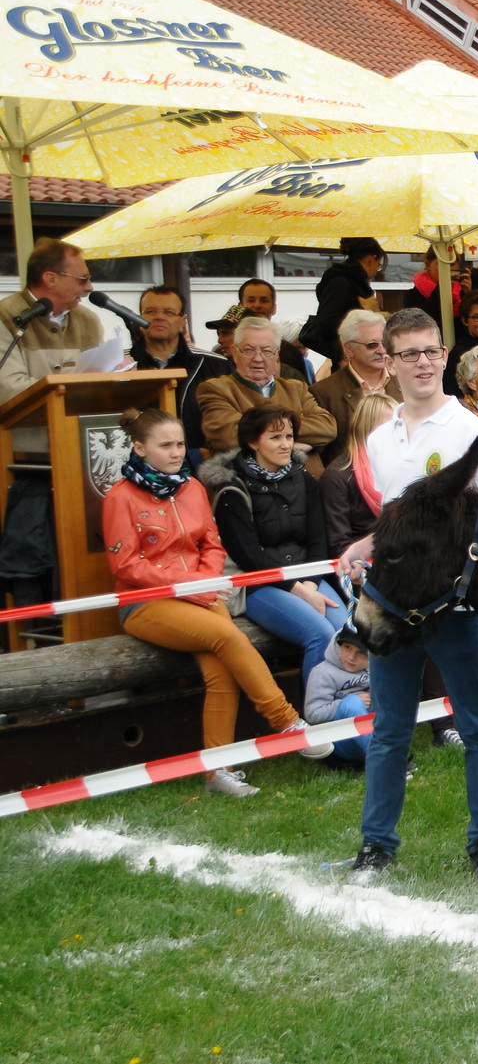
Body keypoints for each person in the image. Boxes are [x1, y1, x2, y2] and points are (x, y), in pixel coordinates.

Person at [339, 307, 478, 884]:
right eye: (409, 353)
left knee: (477, 725)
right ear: (387, 363)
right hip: (392, 606)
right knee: (389, 728)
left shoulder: (472, 432)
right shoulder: (378, 437)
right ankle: (376, 846)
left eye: (430, 351)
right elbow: (398, 522)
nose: (422, 362)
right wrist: (364, 544)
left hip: (455, 609)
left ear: (444, 356)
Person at [105, 408, 330, 798]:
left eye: (179, 444)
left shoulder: (192, 486)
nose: (177, 452)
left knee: (221, 673)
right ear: (139, 448)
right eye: (166, 446)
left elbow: (212, 543)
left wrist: (205, 580)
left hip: (203, 592)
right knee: (229, 638)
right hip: (146, 603)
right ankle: (287, 724)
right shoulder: (119, 497)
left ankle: (217, 771)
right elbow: (126, 566)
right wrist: (192, 585)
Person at [201, 404, 346, 682]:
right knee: (321, 635)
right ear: (253, 441)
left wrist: (310, 584)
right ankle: (316, 716)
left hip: (306, 575)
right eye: (275, 437)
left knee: (345, 633)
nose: (286, 445)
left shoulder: (304, 478)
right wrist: (300, 592)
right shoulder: (233, 488)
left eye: (289, 437)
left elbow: (318, 540)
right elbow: (249, 557)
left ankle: (346, 712)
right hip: (258, 583)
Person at [198, 319, 339, 475]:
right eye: (249, 350)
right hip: (252, 490)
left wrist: (262, 435)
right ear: (234, 352)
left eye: (266, 351)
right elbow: (229, 437)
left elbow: (328, 428)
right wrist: (293, 443)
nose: (258, 358)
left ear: (277, 355)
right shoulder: (216, 389)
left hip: (308, 487)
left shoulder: (296, 388)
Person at [0, 239, 114, 411]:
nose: (90, 287)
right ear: (51, 279)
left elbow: (99, 379)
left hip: (78, 433)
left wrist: (117, 372)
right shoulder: (6, 316)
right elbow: (9, 390)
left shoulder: (88, 320)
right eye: (83, 279)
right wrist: (77, 388)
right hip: (27, 435)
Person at [129, 285, 232, 463]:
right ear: (139, 319)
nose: (159, 317)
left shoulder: (217, 366)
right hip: (136, 469)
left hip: (201, 470)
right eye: (151, 311)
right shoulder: (118, 366)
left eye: (169, 312)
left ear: (182, 321)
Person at [310, 310, 399, 466]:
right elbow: (324, 453)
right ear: (349, 349)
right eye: (372, 345)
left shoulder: (404, 381)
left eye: (384, 342)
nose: (381, 350)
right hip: (352, 481)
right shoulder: (323, 392)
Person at [321, 391, 396, 552]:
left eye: (399, 425)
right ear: (366, 428)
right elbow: (339, 544)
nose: (397, 432)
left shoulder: (403, 467)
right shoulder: (337, 476)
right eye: (388, 426)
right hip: (362, 565)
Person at [301, 237, 384, 361]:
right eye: (378, 266)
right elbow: (327, 326)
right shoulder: (341, 282)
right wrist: (365, 312)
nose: (376, 272)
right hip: (346, 361)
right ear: (370, 260)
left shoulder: (352, 281)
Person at [305, 630, 375, 766]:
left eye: (361, 652)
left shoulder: (375, 669)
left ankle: (390, 752)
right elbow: (313, 714)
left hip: (374, 730)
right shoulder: (323, 673)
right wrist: (347, 703)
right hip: (340, 742)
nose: (351, 657)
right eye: (347, 647)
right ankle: (384, 760)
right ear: (338, 646)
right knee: (352, 704)